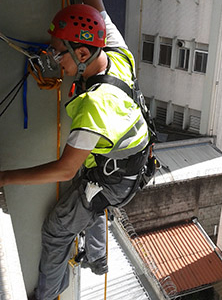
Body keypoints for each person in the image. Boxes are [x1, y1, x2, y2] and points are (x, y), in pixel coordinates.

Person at [0, 1, 153, 299]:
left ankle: (45, 296)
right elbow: (100, 10)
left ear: (82, 53)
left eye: (58, 52)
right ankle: (98, 258)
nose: (55, 60)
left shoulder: (95, 106)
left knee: (58, 228)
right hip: (130, 161)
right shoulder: (117, 54)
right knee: (89, 201)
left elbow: (65, 169)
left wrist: (4, 178)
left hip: (113, 180)